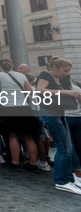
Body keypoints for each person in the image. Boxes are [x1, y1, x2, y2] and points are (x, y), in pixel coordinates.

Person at [37, 57, 81, 194]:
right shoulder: (45, 75)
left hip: (57, 112)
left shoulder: (58, 79)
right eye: (65, 70)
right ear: (55, 67)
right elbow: (39, 90)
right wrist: (67, 92)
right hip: (50, 113)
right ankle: (62, 180)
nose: (67, 73)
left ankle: (69, 179)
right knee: (63, 147)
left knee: (67, 147)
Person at [0, 58, 39, 171]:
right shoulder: (21, 75)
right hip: (23, 107)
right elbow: (30, 92)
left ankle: (15, 162)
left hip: (9, 108)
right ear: (12, 65)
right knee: (29, 137)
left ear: (1, 66)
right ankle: (33, 163)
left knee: (13, 136)